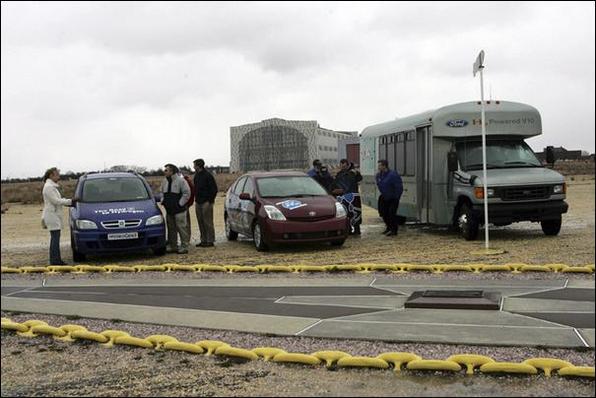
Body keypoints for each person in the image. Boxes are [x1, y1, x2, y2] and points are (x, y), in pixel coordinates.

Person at [41, 167, 75, 265]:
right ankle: (55, 260)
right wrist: (70, 201)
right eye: (57, 174)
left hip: (54, 214)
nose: (59, 176)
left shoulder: (51, 186)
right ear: (51, 175)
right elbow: (56, 201)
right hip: (52, 215)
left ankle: (56, 259)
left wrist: (69, 201)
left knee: (55, 237)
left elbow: (57, 200)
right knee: (55, 238)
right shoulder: (48, 187)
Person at [160, 164, 191, 254]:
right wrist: (163, 200)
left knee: (182, 228)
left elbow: (186, 193)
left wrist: (180, 204)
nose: (164, 171)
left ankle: (184, 246)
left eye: (166, 170)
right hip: (169, 210)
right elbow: (161, 192)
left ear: (172, 171)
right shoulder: (164, 181)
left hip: (179, 210)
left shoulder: (181, 181)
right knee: (171, 228)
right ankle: (173, 245)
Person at [332, 159, 363, 235]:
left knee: (355, 213)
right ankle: (348, 230)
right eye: (342, 165)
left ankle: (357, 229)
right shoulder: (339, 174)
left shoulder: (353, 172)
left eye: (344, 165)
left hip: (353, 196)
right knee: (346, 213)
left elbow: (360, 178)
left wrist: (356, 173)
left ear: (347, 165)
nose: (343, 167)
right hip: (343, 197)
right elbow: (334, 185)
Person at [193, 158, 218, 247]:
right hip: (198, 202)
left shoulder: (208, 176)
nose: (193, 167)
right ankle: (203, 240)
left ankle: (210, 240)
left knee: (207, 222)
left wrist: (210, 201)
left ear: (198, 166)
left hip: (206, 202)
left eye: (194, 165)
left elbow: (214, 189)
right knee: (200, 221)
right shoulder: (196, 176)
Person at [375, 159, 403, 236]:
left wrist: (396, 197)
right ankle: (388, 228)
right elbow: (379, 184)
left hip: (393, 198)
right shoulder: (379, 175)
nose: (378, 167)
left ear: (384, 166)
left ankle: (394, 230)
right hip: (384, 196)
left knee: (391, 214)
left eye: (380, 165)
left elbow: (399, 187)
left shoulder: (393, 175)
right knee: (384, 214)